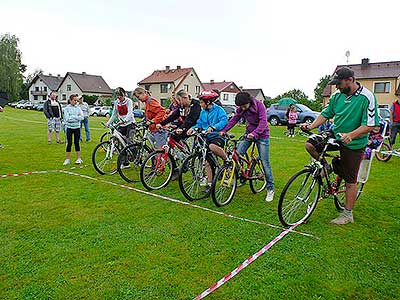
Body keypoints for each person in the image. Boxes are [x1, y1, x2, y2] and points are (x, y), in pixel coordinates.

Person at [301, 67, 379, 225]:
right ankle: (327, 167)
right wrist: (311, 127)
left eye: (339, 83)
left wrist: (351, 135)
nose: (337, 87)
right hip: (335, 135)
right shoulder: (337, 96)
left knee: (350, 180)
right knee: (310, 144)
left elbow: (370, 125)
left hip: (354, 142)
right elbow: (325, 114)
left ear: (350, 80)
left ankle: (347, 214)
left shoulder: (367, 97)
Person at [220, 91, 275, 202]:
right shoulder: (241, 108)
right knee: (237, 155)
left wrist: (254, 134)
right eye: (241, 107)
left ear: (249, 102)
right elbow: (234, 119)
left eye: (244, 106)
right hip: (248, 134)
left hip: (262, 135)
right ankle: (239, 177)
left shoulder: (260, 105)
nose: (243, 109)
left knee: (265, 162)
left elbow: (263, 122)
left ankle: (270, 189)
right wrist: (224, 130)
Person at [187, 90, 228, 191]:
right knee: (207, 161)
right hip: (205, 137)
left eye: (201, 102)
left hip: (217, 136)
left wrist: (214, 127)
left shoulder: (219, 110)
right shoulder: (203, 112)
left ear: (208, 102)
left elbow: (224, 121)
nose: (200, 104)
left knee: (212, 147)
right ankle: (210, 185)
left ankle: (226, 160)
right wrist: (193, 128)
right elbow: (199, 123)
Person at [157, 89, 202, 180]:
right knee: (171, 139)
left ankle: (189, 159)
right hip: (186, 127)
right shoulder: (181, 107)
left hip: (196, 128)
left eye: (179, 100)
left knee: (198, 149)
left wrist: (182, 128)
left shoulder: (196, 105)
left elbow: (191, 119)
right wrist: (162, 123)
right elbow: (174, 115)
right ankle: (177, 165)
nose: (178, 103)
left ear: (185, 98)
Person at [63, 94, 84, 165]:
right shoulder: (66, 108)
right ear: (70, 100)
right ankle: (67, 159)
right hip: (69, 128)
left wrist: (73, 117)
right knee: (69, 143)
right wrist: (76, 117)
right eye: (74, 100)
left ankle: (79, 158)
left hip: (77, 128)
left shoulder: (78, 108)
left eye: (76, 100)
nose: (76, 102)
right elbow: (67, 119)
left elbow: (82, 117)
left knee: (76, 143)